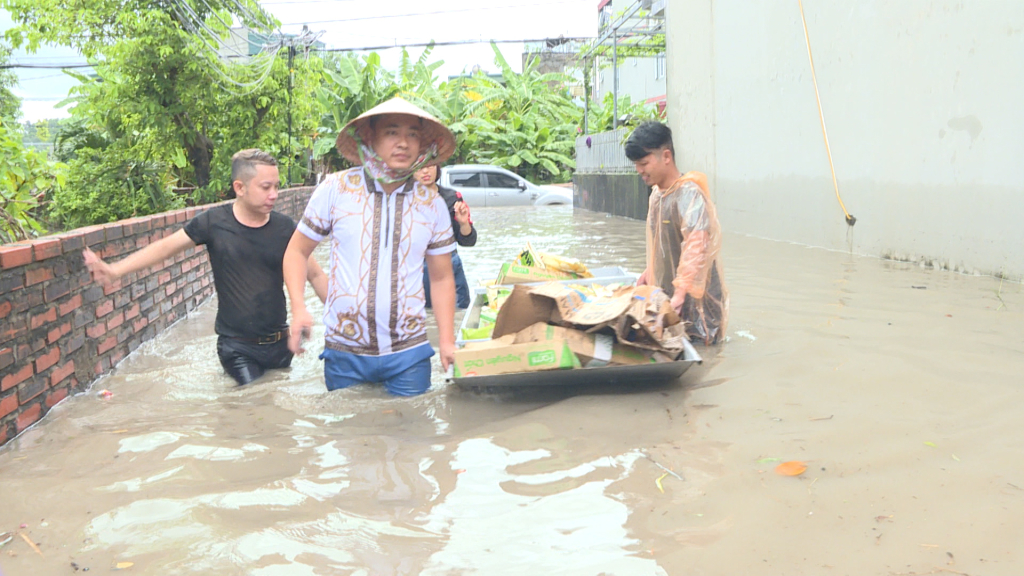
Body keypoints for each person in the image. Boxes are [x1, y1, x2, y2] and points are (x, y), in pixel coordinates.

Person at [84, 149, 329, 385]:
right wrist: (116, 270)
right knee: (253, 402)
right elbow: (166, 247)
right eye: (266, 187)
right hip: (237, 347)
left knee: (277, 417)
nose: (274, 194)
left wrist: (350, 320)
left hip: (281, 344)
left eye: (276, 186)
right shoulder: (214, 223)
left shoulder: (285, 228)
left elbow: (316, 275)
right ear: (239, 188)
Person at [282, 97, 459, 397]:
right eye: (392, 132)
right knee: (349, 437)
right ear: (370, 138)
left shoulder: (432, 203)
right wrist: (298, 308)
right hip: (344, 352)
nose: (403, 143)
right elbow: (296, 251)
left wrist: (446, 340)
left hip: (409, 352)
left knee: (415, 440)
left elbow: (442, 277)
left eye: (412, 135)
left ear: (422, 145)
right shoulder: (335, 189)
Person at [624, 121, 728, 345]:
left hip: (697, 300)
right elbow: (662, 245)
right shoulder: (657, 196)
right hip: (670, 298)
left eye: (643, 163)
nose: (639, 170)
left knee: (704, 354)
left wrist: (680, 295)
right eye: (636, 164)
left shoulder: (689, 194)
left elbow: (697, 244)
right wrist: (649, 271)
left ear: (666, 156)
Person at [415, 164, 476, 310]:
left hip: (450, 264)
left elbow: (468, 241)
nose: (425, 170)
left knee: (459, 314)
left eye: (429, 165)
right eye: (419, 167)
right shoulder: (403, 201)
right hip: (417, 270)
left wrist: (463, 223)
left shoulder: (452, 198)